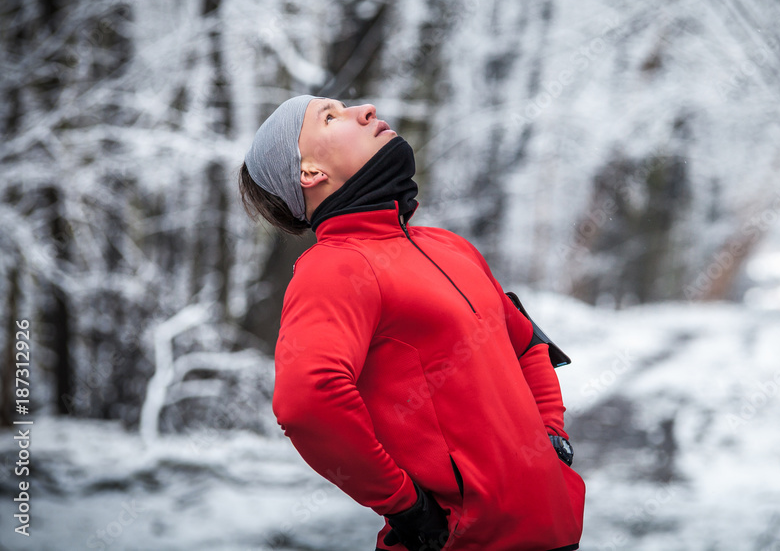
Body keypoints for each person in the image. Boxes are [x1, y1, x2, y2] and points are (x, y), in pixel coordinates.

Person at [238, 95, 586, 551]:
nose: (364, 109)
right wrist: (405, 505)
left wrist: (551, 438)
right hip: (464, 541)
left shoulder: (450, 247)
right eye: (330, 116)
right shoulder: (335, 267)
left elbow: (527, 345)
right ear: (310, 173)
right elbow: (307, 402)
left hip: (554, 531)